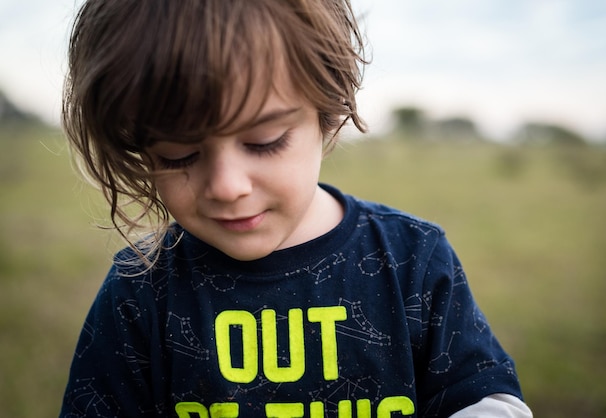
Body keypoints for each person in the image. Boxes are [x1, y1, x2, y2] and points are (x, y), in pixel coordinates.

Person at [59, 0, 533, 417]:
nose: (226, 186)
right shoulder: (141, 290)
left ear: (328, 113)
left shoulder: (414, 259)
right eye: (178, 155)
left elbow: (485, 398)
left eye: (264, 142)